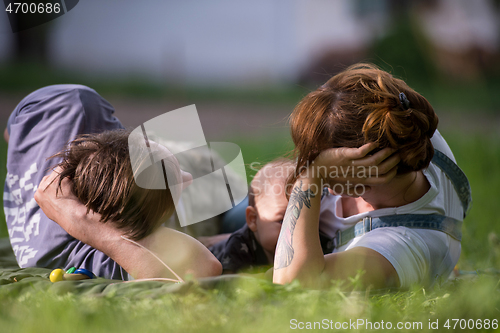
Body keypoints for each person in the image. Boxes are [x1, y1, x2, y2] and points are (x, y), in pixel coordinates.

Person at [273, 63, 471, 289]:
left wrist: (310, 179)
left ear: (368, 163)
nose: (330, 186)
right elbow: (344, 97)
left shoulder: (406, 246)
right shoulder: (405, 122)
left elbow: (291, 282)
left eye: (331, 170)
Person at [4, 84, 221, 280]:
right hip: (201, 196)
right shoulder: (84, 257)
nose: (187, 180)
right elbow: (204, 268)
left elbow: (11, 133)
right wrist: (82, 221)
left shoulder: (72, 104)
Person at [209, 159, 293, 273]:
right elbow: (228, 285)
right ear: (253, 219)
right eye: (282, 221)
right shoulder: (238, 247)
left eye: (305, 222)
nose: (293, 233)